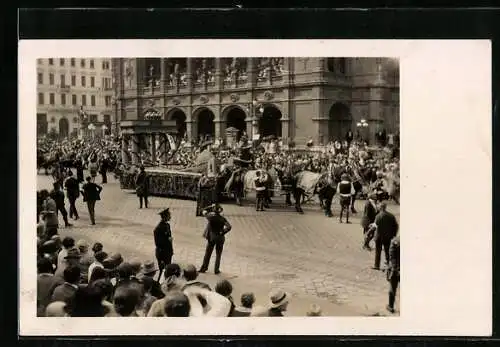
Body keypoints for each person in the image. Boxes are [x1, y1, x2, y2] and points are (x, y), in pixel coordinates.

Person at [199, 203, 232, 275]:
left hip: (212, 238)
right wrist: (222, 232)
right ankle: (216, 270)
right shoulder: (222, 219)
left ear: (214, 210)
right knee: (218, 254)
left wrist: (210, 206)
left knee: (208, 253)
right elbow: (229, 227)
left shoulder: (210, 217)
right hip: (220, 238)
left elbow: (203, 210)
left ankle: (204, 268)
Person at [371, 202, 399, 270]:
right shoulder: (391, 216)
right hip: (388, 237)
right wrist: (394, 234)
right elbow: (396, 226)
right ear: (385, 207)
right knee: (387, 251)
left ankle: (376, 265)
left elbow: (374, 227)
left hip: (379, 237)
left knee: (378, 251)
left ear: (380, 208)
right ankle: (389, 265)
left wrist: (369, 233)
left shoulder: (378, 216)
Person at [153, 208, 174, 280]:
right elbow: (158, 243)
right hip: (162, 253)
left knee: (167, 271)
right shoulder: (158, 229)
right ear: (164, 216)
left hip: (168, 252)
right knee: (162, 272)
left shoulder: (167, 225)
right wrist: (168, 240)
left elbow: (168, 236)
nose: (170, 217)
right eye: (169, 215)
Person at [386, 234, 400, 313]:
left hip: (395, 269)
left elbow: (391, 256)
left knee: (392, 286)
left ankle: (390, 306)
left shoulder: (395, 241)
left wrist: (395, 268)